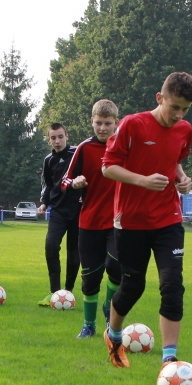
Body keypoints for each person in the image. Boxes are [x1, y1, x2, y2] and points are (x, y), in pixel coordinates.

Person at [100, 72, 192, 368]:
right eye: (174, 107)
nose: (179, 115)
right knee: (133, 285)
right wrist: (142, 180)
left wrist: (182, 178)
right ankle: (113, 334)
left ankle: (170, 359)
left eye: (185, 110)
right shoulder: (133, 124)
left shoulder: (184, 130)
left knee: (172, 285)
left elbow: (175, 160)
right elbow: (108, 168)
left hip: (168, 218)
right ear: (160, 98)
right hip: (131, 221)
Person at [62, 99, 122, 339]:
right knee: (89, 277)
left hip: (119, 221)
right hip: (89, 222)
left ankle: (109, 307)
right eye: (98, 123)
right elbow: (65, 180)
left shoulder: (124, 147)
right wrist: (74, 183)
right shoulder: (84, 148)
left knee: (116, 267)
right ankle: (89, 325)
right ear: (92, 121)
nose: (103, 128)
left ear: (116, 123)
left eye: (108, 123)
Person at [37, 123, 81, 305]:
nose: (57, 141)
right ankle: (54, 291)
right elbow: (48, 184)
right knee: (51, 246)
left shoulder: (78, 153)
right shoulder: (49, 160)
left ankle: (68, 291)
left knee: (74, 252)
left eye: (60, 136)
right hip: (58, 211)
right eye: (53, 138)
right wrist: (44, 203)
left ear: (67, 136)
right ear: (49, 139)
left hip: (79, 211)